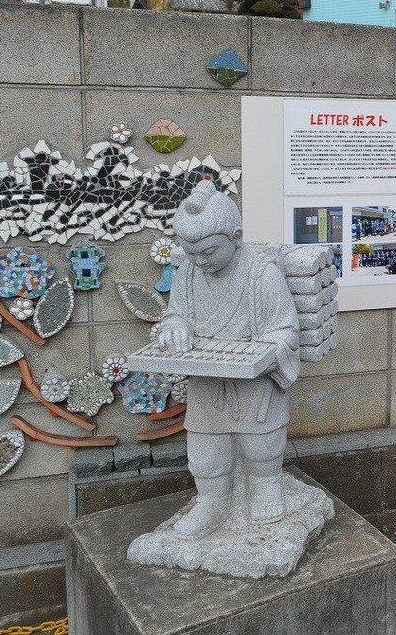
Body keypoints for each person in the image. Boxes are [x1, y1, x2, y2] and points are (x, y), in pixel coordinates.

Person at [157, 179, 301, 540]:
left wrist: (264, 353)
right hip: (208, 376)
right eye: (191, 253)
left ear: (236, 237)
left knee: (261, 443)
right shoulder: (188, 275)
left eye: (208, 251)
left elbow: (286, 330)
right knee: (205, 448)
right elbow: (175, 314)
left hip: (256, 379)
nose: (200, 260)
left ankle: (267, 484)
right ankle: (212, 500)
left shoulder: (261, 275)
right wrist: (175, 327)